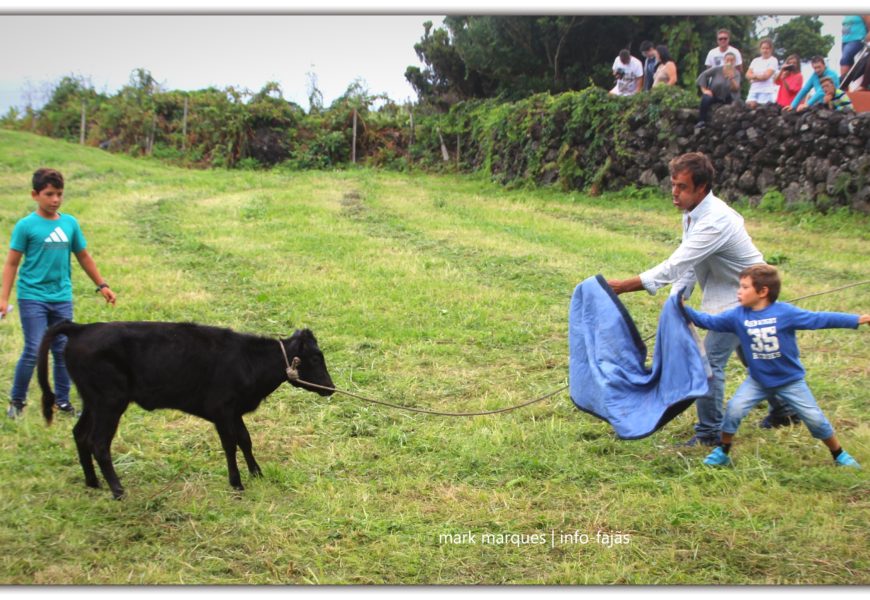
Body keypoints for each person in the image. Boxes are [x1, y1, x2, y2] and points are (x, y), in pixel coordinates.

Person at [606, 152, 796, 447]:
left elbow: (676, 264)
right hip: (732, 293)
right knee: (754, 355)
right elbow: (692, 265)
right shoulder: (693, 214)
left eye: (682, 186)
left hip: (749, 298)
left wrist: (625, 285)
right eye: (673, 185)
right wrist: (675, 301)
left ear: (702, 187)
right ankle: (785, 410)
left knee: (709, 365)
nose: (674, 193)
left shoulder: (715, 221)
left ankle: (709, 434)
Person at [682, 264, 867, 469]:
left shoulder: (785, 313)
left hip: (790, 381)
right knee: (734, 411)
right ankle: (723, 450)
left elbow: (819, 319)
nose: (739, 291)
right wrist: (683, 309)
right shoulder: (737, 315)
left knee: (815, 419)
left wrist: (856, 319)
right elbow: (709, 322)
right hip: (758, 381)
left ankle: (838, 454)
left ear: (763, 292)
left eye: (744, 287)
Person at [1, 168, 117, 419]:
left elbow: (83, 256)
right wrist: (3, 298)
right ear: (35, 195)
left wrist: (102, 284)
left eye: (59, 194)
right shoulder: (26, 226)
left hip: (61, 297)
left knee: (64, 350)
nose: (55, 200)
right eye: (49, 194)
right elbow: (11, 263)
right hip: (32, 296)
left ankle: (62, 402)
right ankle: (18, 401)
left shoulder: (69, 223)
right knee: (33, 349)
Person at [695, 52, 741, 128]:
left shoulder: (736, 73)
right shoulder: (717, 69)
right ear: (724, 60)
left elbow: (736, 88)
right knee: (705, 98)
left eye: (731, 60)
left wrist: (731, 78)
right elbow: (703, 75)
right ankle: (701, 121)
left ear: (734, 62)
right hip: (715, 94)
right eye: (727, 60)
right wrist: (704, 90)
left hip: (729, 97)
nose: (729, 62)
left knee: (737, 104)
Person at [745, 38, 779, 108]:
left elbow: (766, 77)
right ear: (760, 49)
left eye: (767, 48)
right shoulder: (755, 61)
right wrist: (758, 76)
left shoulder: (773, 60)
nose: (765, 50)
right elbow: (747, 75)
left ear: (771, 49)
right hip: (754, 90)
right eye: (763, 48)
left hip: (766, 91)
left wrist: (753, 78)